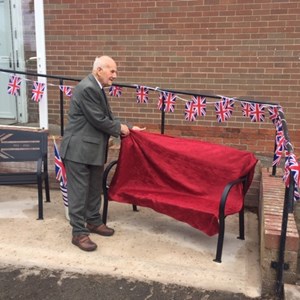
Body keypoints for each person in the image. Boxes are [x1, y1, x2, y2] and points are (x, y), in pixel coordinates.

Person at [60, 56, 145, 251]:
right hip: (79, 151)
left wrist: (130, 127)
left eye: (115, 71)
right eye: (112, 71)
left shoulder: (96, 87)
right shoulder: (88, 88)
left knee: (94, 188)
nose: (115, 75)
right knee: (79, 192)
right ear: (99, 70)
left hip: (93, 150)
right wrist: (121, 129)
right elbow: (98, 119)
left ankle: (93, 221)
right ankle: (79, 233)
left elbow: (107, 117)